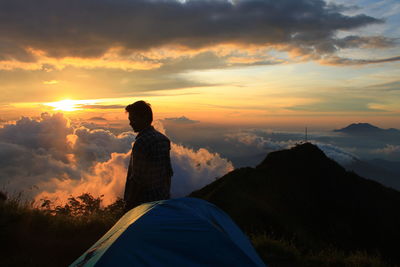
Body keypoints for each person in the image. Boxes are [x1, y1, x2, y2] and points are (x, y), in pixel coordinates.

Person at [123, 101, 173, 211]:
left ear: (144, 118)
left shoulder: (141, 143)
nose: (130, 123)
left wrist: (129, 206)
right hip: (161, 200)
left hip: (143, 204)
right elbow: (168, 172)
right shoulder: (164, 139)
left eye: (133, 119)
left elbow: (137, 179)